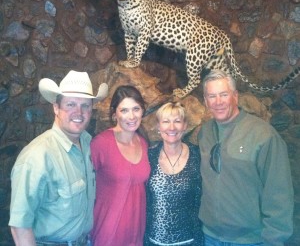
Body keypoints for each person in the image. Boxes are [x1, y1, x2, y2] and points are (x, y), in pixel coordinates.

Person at [9, 70, 108, 246]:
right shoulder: (36, 157)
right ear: (56, 107)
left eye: (85, 105)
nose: (79, 112)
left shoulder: (88, 143)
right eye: (70, 104)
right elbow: (19, 226)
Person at [198, 69, 294, 246]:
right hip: (209, 237)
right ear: (205, 101)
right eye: (211, 96)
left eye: (223, 94)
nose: (218, 102)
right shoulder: (204, 133)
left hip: (250, 240)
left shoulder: (263, 135)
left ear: (235, 96)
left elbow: (279, 193)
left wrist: (274, 240)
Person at [90, 85, 150, 246]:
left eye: (136, 109)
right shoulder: (101, 144)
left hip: (136, 234)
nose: (131, 116)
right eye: (124, 110)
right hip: (107, 233)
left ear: (142, 111)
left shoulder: (143, 143)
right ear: (114, 114)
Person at [144, 102, 203, 246]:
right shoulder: (148, 156)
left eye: (177, 121)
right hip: (154, 240)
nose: (171, 127)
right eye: (166, 121)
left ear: (185, 125)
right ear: (158, 126)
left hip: (190, 240)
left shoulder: (198, 155)